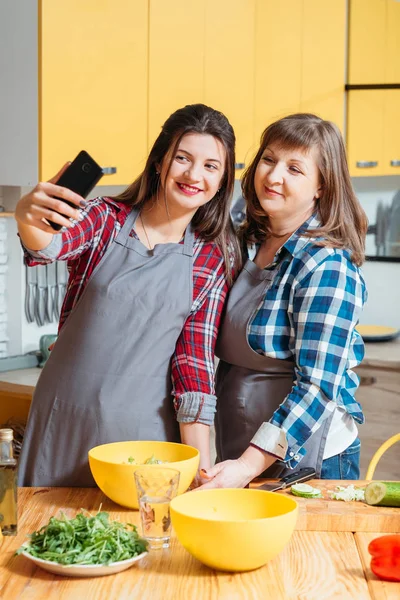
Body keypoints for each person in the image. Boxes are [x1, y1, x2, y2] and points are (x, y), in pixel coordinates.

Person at [16, 103, 241, 487]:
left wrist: (202, 470)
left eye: (210, 166)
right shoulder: (105, 219)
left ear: (222, 180)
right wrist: (28, 216)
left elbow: (194, 366)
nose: (193, 175)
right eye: (182, 158)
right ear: (159, 162)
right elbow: (49, 245)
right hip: (64, 421)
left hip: (144, 439)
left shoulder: (212, 257)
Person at [198, 113, 368, 490]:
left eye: (295, 168)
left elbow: (317, 387)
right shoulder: (250, 243)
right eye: (269, 159)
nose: (274, 176)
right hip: (244, 450)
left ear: (322, 186)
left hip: (309, 460)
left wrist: (246, 466)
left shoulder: (326, 265)